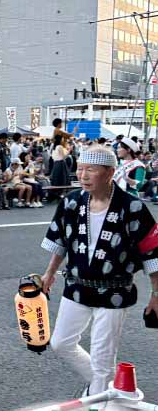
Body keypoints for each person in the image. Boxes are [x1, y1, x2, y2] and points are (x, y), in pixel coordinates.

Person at [41, 146, 158, 395]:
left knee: (103, 357)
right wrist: (49, 273)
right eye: (80, 169)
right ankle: (103, 386)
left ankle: (98, 407)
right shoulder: (72, 202)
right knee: (61, 342)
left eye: (90, 170)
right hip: (77, 286)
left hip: (115, 292)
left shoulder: (133, 208)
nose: (82, 175)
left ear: (110, 173)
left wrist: (156, 295)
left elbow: (152, 254)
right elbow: (60, 241)